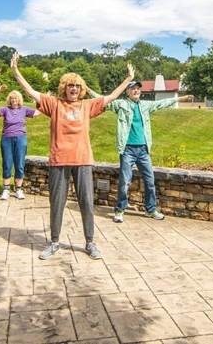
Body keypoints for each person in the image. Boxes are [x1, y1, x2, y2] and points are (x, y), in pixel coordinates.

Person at [10, 51, 134, 260]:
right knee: (57, 202)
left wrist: (128, 80)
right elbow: (32, 92)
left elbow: (111, 97)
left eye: (77, 86)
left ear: (81, 89)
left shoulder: (87, 105)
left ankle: (90, 242)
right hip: (59, 160)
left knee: (86, 201)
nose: (73, 89)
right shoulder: (54, 104)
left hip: (83, 159)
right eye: (70, 85)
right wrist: (15, 72)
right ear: (64, 88)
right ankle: (55, 242)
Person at [105, 83, 194, 222]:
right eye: (133, 88)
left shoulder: (145, 105)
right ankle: (120, 210)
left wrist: (180, 99)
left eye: (138, 89)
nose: (136, 90)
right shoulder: (120, 104)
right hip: (127, 149)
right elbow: (102, 100)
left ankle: (150, 210)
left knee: (150, 181)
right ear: (127, 91)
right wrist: (86, 89)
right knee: (125, 182)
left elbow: (162, 103)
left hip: (143, 150)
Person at [0, 90, 40, 200]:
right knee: (7, 163)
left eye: (16, 98)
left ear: (19, 99)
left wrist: (47, 102)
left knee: (20, 164)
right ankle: (6, 189)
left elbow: (37, 113)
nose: (14, 100)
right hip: (7, 139)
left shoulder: (24, 109)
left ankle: (18, 190)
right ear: (9, 100)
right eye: (12, 98)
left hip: (21, 139)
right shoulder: (5, 110)